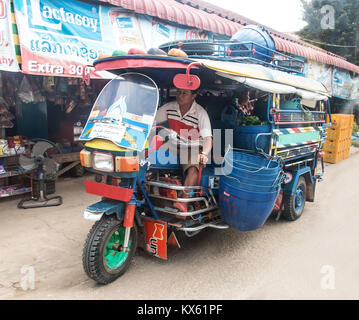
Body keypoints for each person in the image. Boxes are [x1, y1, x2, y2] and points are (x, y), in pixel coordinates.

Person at [155, 88, 213, 212]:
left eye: (185, 93)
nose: (180, 96)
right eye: (178, 92)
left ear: (193, 96)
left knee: (193, 165)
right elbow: (153, 123)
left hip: (192, 145)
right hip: (172, 143)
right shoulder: (168, 107)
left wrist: (204, 153)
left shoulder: (200, 113)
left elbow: (208, 139)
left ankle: (184, 200)